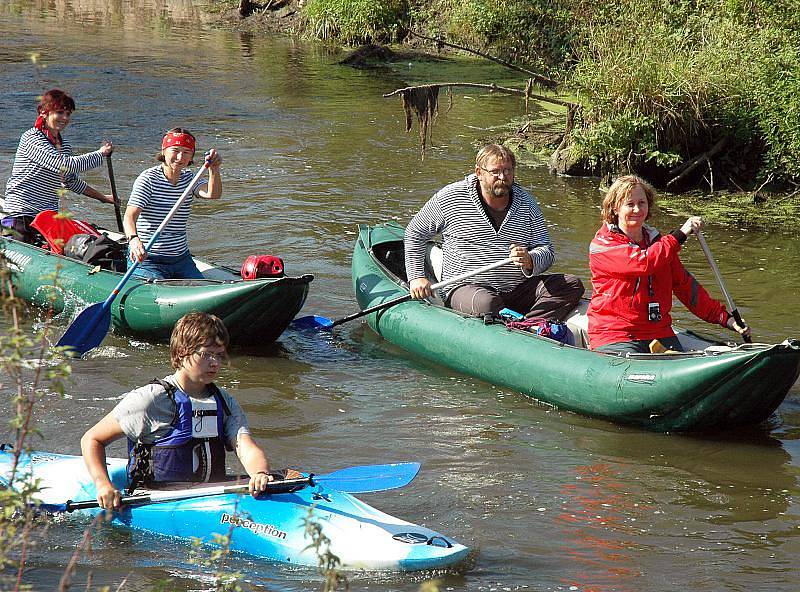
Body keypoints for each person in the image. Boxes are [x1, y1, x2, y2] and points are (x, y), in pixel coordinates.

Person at [81, 312, 298, 510]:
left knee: (289, 478)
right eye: (207, 354)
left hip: (209, 497)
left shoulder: (224, 401)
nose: (215, 363)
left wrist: (260, 473)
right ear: (182, 353)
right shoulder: (151, 400)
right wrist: (103, 485)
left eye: (220, 355)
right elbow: (92, 439)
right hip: (157, 499)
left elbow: (246, 447)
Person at [404, 143, 584, 320]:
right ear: (479, 173)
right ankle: (513, 325)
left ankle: (531, 326)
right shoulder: (450, 198)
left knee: (571, 285)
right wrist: (416, 277)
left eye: (508, 171)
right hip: (466, 288)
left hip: (516, 289)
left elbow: (546, 250)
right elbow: (414, 233)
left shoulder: (527, 203)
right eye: (495, 171)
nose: (503, 177)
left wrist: (530, 260)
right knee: (488, 304)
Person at [587, 175, 751, 354]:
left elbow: (687, 289)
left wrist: (726, 319)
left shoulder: (660, 246)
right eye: (629, 204)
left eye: (642, 203)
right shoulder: (602, 245)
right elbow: (644, 262)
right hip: (616, 334)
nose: (637, 209)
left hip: (659, 332)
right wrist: (680, 235)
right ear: (615, 208)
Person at [2, 88, 113, 243]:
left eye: (68, 114)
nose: (65, 118)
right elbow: (64, 165)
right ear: (43, 112)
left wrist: (103, 198)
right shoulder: (31, 138)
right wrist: (100, 154)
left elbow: (70, 181)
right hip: (20, 214)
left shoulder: (64, 146)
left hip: (48, 218)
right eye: (60, 112)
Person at [122, 128, 222, 280]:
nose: (180, 157)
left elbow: (213, 194)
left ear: (191, 157)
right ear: (164, 151)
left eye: (187, 152)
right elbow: (129, 216)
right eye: (175, 150)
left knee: (201, 287)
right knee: (158, 291)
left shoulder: (190, 179)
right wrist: (134, 240)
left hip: (181, 259)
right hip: (148, 259)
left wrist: (214, 170)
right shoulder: (148, 179)